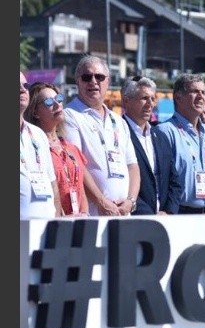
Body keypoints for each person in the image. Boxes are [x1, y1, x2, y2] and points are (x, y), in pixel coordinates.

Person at [63, 55, 140, 216]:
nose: (93, 81)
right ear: (77, 81)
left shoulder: (119, 121)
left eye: (99, 77)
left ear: (108, 81)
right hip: (94, 213)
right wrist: (101, 201)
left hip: (123, 213)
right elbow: (76, 165)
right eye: (86, 77)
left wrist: (130, 201)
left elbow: (133, 167)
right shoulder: (70, 116)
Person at [153, 73, 205, 214]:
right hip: (180, 213)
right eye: (195, 91)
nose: (201, 97)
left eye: (203, 92)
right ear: (178, 98)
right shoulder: (164, 132)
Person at [25, 82, 91, 217]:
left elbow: (81, 188)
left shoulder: (71, 148)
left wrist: (85, 214)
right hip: (55, 223)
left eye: (59, 99)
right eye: (49, 102)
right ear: (35, 112)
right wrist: (63, 218)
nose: (57, 104)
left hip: (80, 223)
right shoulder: (35, 150)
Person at [121, 75, 183, 215]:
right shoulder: (117, 134)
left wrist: (168, 211)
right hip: (135, 218)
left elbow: (174, 181)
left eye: (153, 98)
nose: (150, 104)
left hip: (163, 221)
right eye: (144, 98)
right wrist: (149, 215)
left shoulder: (160, 136)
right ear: (126, 101)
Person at [20, 73, 60, 219]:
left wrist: (57, 223)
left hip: (46, 230)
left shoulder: (38, 134)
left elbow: (53, 185)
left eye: (25, 86)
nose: (22, 90)